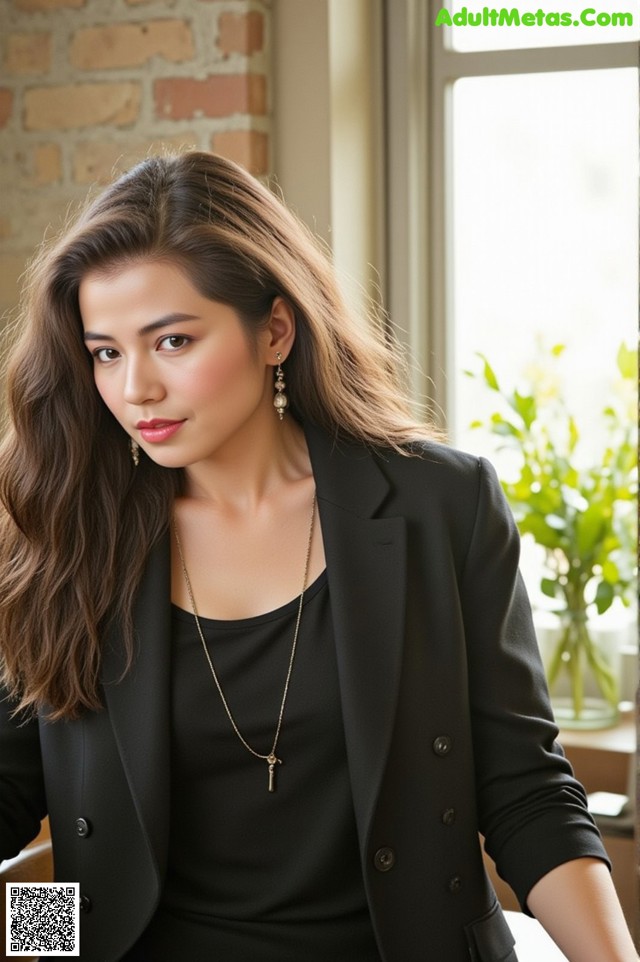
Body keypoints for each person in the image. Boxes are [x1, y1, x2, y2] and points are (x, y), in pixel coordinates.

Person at [0, 150, 636, 962]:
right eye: (106, 352)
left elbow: (526, 791)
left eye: (172, 341)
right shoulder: (61, 526)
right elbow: (28, 813)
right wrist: (44, 952)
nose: (136, 391)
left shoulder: (443, 503)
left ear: (273, 330)